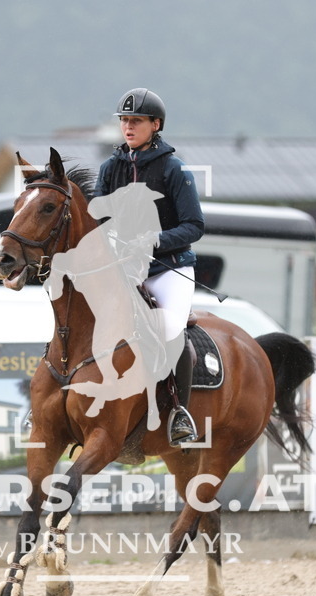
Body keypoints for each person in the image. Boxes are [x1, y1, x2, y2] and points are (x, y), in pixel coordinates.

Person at [93, 87, 205, 446]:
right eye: (125, 120)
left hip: (168, 270)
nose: (128, 126)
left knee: (171, 332)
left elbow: (194, 226)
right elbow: (97, 214)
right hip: (124, 269)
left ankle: (178, 413)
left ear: (155, 125)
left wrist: (154, 240)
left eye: (136, 121)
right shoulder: (112, 168)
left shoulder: (175, 169)